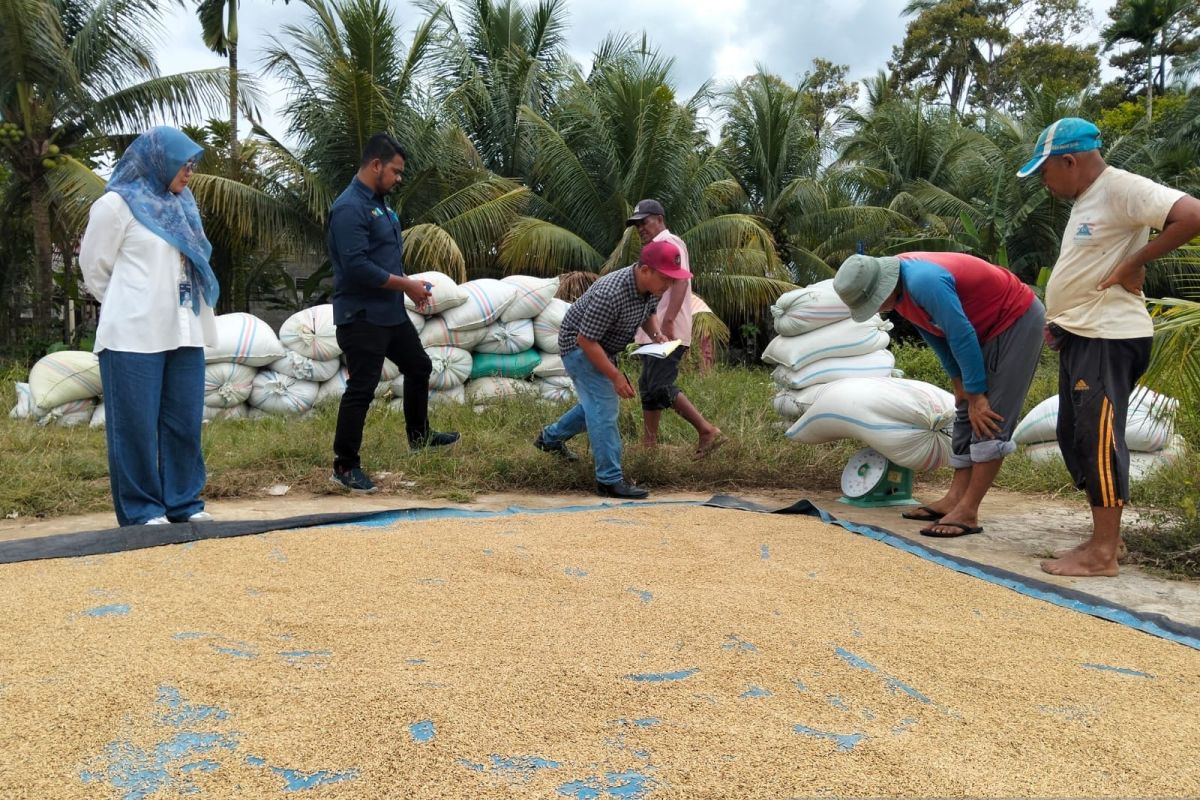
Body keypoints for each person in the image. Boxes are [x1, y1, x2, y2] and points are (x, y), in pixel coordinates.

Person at [1016, 117, 1200, 577]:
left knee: (1096, 438)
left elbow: (1193, 214)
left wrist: (1135, 263)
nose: (1044, 181)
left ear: (1071, 161)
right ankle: (1105, 541)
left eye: (1045, 171)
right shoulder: (1087, 199)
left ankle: (1102, 553)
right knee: (1070, 433)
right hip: (1083, 334)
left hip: (1109, 336)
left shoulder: (1121, 187)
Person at [833, 252, 1044, 538]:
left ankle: (968, 510)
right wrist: (960, 385)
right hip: (981, 328)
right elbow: (938, 337)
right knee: (964, 409)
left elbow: (961, 335)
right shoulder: (901, 294)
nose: (876, 309)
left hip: (1015, 319)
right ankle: (954, 499)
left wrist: (978, 394)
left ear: (881, 289)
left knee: (989, 414)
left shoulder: (923, 281)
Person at [79, 127, 218, 526]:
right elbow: (94, 269)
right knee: (135, 427)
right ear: (158, 161)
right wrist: (133, 301)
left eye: (193, 164)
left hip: (185, 329)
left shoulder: (183, 205)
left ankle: (184, 504)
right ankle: (142, 511)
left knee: (184, 421)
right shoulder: (116, 205)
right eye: (183, 163)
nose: (189, 172)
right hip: (133, 334)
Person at [327, 133, 458, 494]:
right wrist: (407, 285)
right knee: (362, 389)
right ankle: (345, 465)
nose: (399, 178)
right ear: (375, 165)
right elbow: (356, 267)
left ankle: (420, 437)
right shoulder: (349, 207)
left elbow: (384, 260)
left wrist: (409, 290)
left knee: (419, 366)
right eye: (396, 172)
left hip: (389, 312)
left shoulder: (381, 204)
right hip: (361, 315)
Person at [534, 240, 692, 498]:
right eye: (666, 278)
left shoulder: (652, 288)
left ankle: (549, 439)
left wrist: (656, 335)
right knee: (606, 408)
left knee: (594, 404)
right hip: (579, 347)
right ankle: (609, 480)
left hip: (602, 346)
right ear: (644, 270)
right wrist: (616, 376)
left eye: (673, 280)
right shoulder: (611, 293)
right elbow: (585, 340)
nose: (669, 285)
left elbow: (648, 312)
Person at [626, 199, 724, 455]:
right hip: (655, 331)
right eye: (637, 225)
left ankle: (707, 430)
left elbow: (680, 283)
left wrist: (668, 321)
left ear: (659, 219)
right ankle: (649, 446)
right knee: (648, 384)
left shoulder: (670, 243)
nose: (641, 229)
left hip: (667, 331)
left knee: (659, 385)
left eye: (644, 222)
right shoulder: (656, 246)